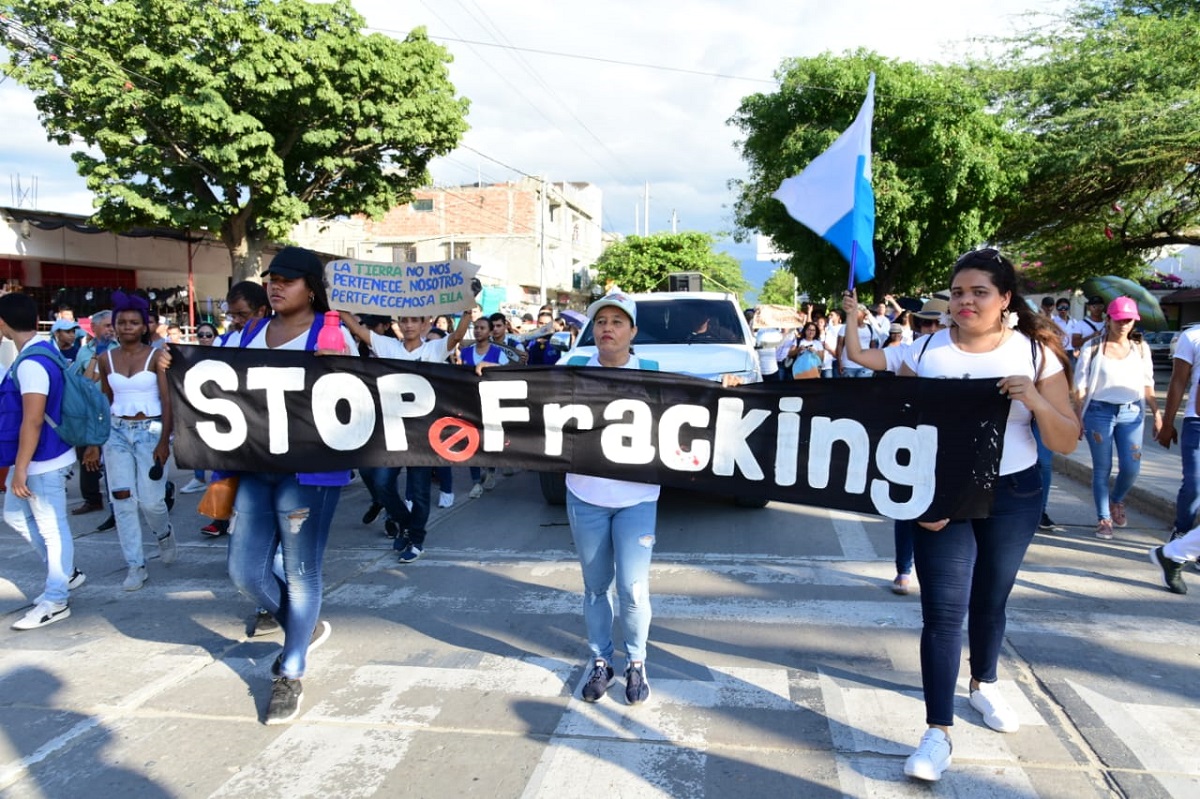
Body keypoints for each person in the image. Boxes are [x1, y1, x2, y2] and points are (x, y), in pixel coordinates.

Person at [895, 249, 1078, 783]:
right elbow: (891, 429)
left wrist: (1035, 400)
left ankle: (984, 683)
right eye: (957, 292)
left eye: (979, 292)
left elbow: (1066, 439)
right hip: (942, 499)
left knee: (990, 598)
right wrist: (919, 498)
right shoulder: (925, 351)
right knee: (942, 613)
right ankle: (937, 733)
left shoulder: (1036, 354)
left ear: (1005, 299)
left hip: (1014, 494)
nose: (966, 302)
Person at [223, 246, 354, 725]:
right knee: (244, 572)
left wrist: (339, 368)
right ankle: (303, 627)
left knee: (301, 574)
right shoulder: (249, 332)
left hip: (310, 473)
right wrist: (169, 365)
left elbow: (359, 399)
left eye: (287, 279)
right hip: (257, 466)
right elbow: (219, 382)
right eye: (271, 279)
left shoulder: (333, 333)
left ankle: (291, 669)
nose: (275, 286)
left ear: (311, 288)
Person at [340, 310, 472, 564]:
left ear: (425, 323)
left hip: (423, 435)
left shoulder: (434, 349)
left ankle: (416, 540)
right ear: (398, 323)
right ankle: (406, 525)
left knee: (420, 491)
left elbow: (456, 337)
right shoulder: (388, 346)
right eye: (404, 320)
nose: (409, 325)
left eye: (414, 320)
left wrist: (467, 312)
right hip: (393, 434)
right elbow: (357, 330)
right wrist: (338, 303)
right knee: (381, 483)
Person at [0, 293, 86, 629]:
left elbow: (33, 420)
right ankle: (64, 574)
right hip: (40, 456)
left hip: (42, 459)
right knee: (14, 515)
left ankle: (56, 599)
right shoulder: (41, 351)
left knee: (52, 529)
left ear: (3, 323)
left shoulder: (32, 362)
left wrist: (20, 468)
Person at [83, 291, 177, 592]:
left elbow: (167, 401)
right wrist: (95, 441)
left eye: (133, 322)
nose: (126, 327)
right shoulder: (105, 359)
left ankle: (163, 533)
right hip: (116, 432)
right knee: (121, 500)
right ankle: (135, 565)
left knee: (151, 502)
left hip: (150, 431)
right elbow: (105, 401)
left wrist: (164, 441)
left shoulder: (156, 357)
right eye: (121, 322)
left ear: (144, 326)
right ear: (114, 325)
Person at [1073, 297, 1158, 539]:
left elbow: (1148, 383)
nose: (1124, 324)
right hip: (1098, 412)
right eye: (1119, 319)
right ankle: (1103, 519)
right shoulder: (1093, 348)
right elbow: (1080, 386)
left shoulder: (1140, 348)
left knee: (1131, 467)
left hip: (1132, 412)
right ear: (1108, 319)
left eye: (1129, 320)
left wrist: (1158, 414)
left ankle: (1116, 499)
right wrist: (1078, 416)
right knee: (1102, 468)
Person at [1154, 323, 1200, 538]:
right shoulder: (1192, 336)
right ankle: (1182, 531)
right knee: (1194, 484)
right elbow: (1178, 381)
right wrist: (1167, 423)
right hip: (1196, 421)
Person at [70, 310, 114, 517]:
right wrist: (97, 356)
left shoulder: (122, 347)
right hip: (89, 411)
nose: (111, 329)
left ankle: (120, 500)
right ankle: (92, 499)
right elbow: (81, 381)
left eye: (113, 325)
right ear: (94, 328)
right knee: (86, 455)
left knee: (114, 457)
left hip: (114, 410)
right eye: (107, 325)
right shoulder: (84, 351)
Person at [179, 322, 220, 495]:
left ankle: (219, 478)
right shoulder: (191, 355)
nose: (204, 338)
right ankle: (199, 478)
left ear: (215, 337)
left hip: (219, 404)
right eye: (201, 335)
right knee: (197, 442)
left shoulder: (224, 354)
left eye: (208, 335)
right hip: (197, 403)